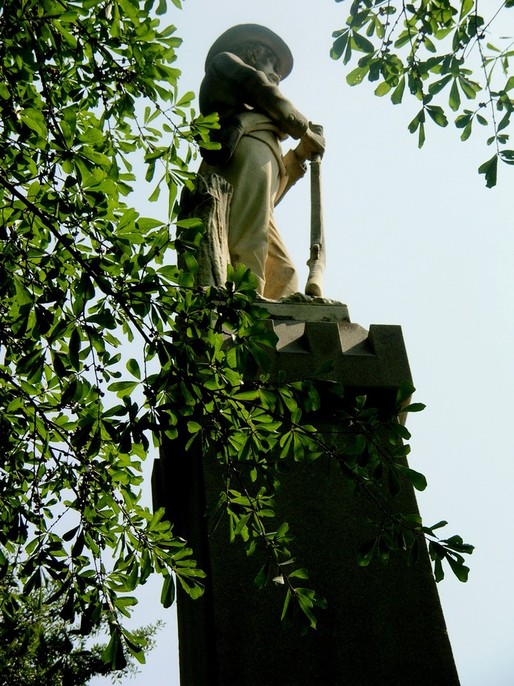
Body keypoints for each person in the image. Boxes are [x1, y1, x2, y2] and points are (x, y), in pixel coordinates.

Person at [199, 24, 325, 300]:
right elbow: (259, 87)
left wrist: (298, 156)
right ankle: (246, 299)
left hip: (253, 171)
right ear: (254, 53)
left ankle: (282, 302)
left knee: (284, 268)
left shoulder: (260, 121)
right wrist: (302, 129)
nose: (278, 74)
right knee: (250, 240)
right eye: (274, 63)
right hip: (237, 157)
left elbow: (266, 197)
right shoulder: (227, 65)